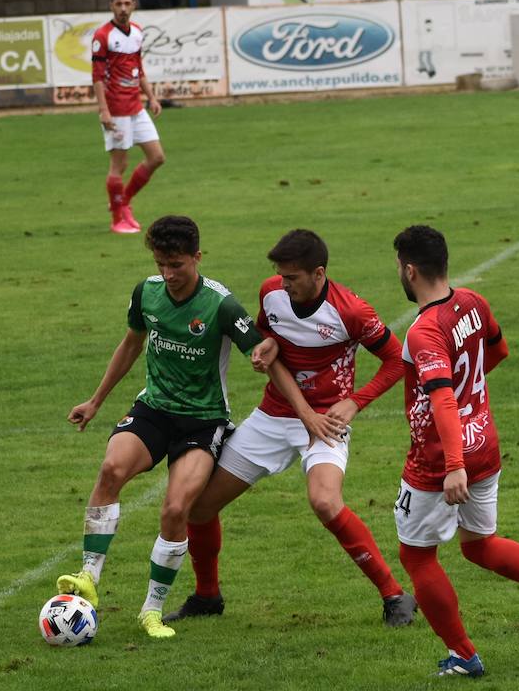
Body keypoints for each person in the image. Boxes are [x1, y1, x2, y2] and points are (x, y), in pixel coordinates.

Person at [166, 229, 417, 627]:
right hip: (272, 417)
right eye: (281, 276)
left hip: (326, 423)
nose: (283, 284)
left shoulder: (352, 311)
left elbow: (397, 360)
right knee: (198, 508)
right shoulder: (272, 292)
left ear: (319, 273)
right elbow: (269, 336)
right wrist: (267, 347)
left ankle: (395, 596)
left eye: (292, 277)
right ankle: (207, 596)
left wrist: (355, 401)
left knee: (325, 502)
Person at [57, 215, 270, 639]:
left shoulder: (221, 304)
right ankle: (89, 576)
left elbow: (261, 346)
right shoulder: (147, 293)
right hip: (154, 409)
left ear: (197, 257)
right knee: (111, 469)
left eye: (177, 265)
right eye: (161, 264)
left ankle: (152, 610)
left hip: (203, 421)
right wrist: (95, 401)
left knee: (175, 510)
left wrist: (266, 356)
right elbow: (131, 344)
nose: (168, 274)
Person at [390, 225, 519, 678]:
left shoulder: (423, 331)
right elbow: (498, 351)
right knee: (478, 545)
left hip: (440, 460)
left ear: (410, 270)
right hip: (484, 444)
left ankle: (463, 654)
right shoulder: (473, 303)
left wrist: (453, 464)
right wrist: (468, 399)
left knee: (417, 556)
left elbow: (442, 399)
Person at [91, 0, 164, 234]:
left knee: (157, 157)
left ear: (133, 5)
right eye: (118, 4)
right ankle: (117, 220)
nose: (123, 8)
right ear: (111, 6)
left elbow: (138, 68)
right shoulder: (103, 36)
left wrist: (151, 97)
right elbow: (97, 76)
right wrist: (103, 110)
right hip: (116, 109)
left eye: (127, 3)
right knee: (119, 165)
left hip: (136, 107)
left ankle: (125, 202)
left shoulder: (137, 32)